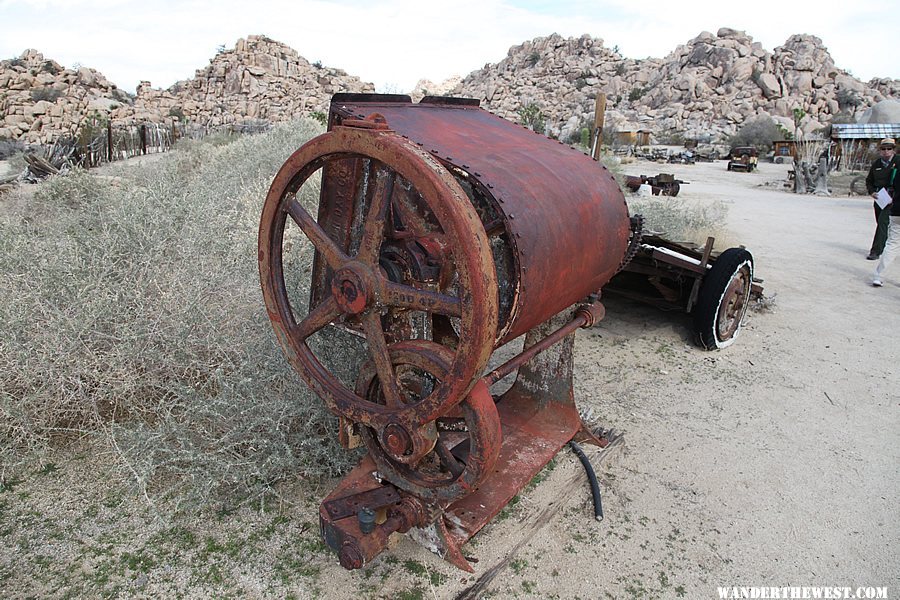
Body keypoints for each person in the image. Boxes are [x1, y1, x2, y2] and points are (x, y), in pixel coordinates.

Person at [865, 138, 899, 260]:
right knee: (881, 222)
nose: (886, 151)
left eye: (889, 149)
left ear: (893, 150)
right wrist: (872, 192)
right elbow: (869, 181)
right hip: (880, 197)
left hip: (893, 198)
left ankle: (876, 251)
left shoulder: (898, 162)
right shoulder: (877, 164)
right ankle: (887, 246)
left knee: (883, 223)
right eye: (883, 149)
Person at [872, 164, 900, 286]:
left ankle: (879, 275)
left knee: (892, 244)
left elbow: (893, 186)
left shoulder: (897, 168)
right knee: (893, 243)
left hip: (897, 209)